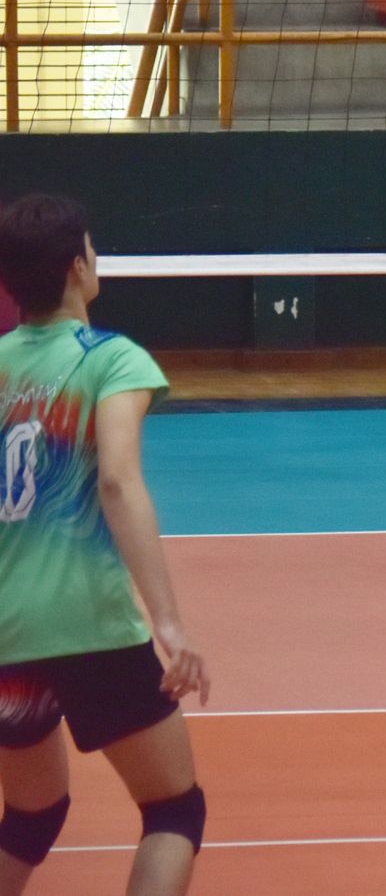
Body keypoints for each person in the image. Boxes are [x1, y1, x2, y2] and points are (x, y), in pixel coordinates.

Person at [0, 194, 209, 896]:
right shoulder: (113, 359)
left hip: (6, 633)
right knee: (173, 809)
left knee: (31, 815)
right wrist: (169, 623)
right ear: (77, 267)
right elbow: (117, 481)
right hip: (88, 623)